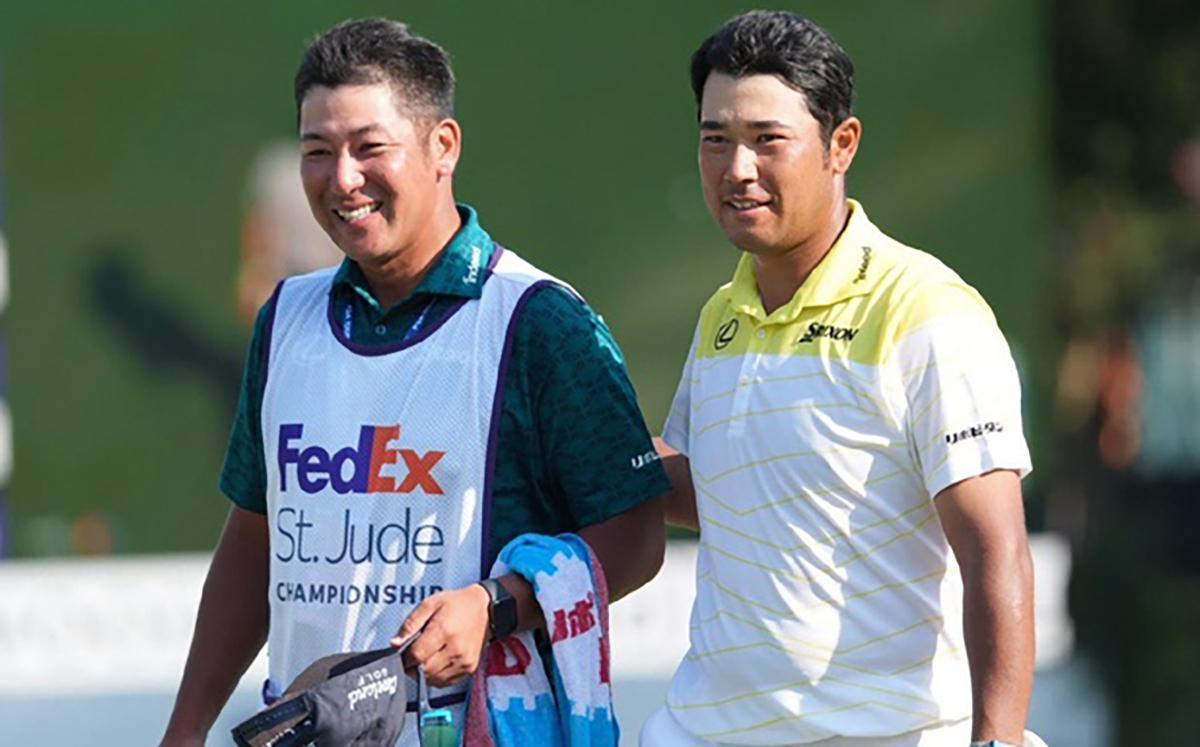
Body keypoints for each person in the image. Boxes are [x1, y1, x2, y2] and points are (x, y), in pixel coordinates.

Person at [160, 17, 667, 746]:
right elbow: (255, 537)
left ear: (442, 147)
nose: (342, 179)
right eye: (317, 150)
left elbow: (635, 533)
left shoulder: (540, 321)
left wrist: (499, 604)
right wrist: (183, 730)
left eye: (370, 147)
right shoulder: (285, 320)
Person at [644, 11, 1036, 747]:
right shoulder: (721, 314)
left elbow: (996, 549)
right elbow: (724, 491)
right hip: (701, 730)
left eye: (768, 140)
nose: (738, 169)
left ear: (840, 145)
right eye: (715, 140)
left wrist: (998, 741)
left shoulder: (925, 309)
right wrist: (586, 442)